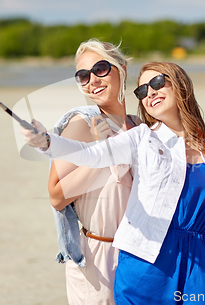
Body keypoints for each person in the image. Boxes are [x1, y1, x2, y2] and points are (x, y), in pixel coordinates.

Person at [22, 62, 205, 304]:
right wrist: (47, 142)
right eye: (142, 91)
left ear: (181, 85)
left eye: (158, 83)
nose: (150, 93)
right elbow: (90, 154)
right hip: (148, 261)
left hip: (197, 262)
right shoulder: (141, 137)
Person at [46, 39, 140, 305]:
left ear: (121, 69)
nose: (92, 81)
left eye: (100, 69)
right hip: (99, 257)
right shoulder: (82, 125)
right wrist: (101, 150)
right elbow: (56, 195)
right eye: (83, 76)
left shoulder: (139, 124)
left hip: (140, 255)